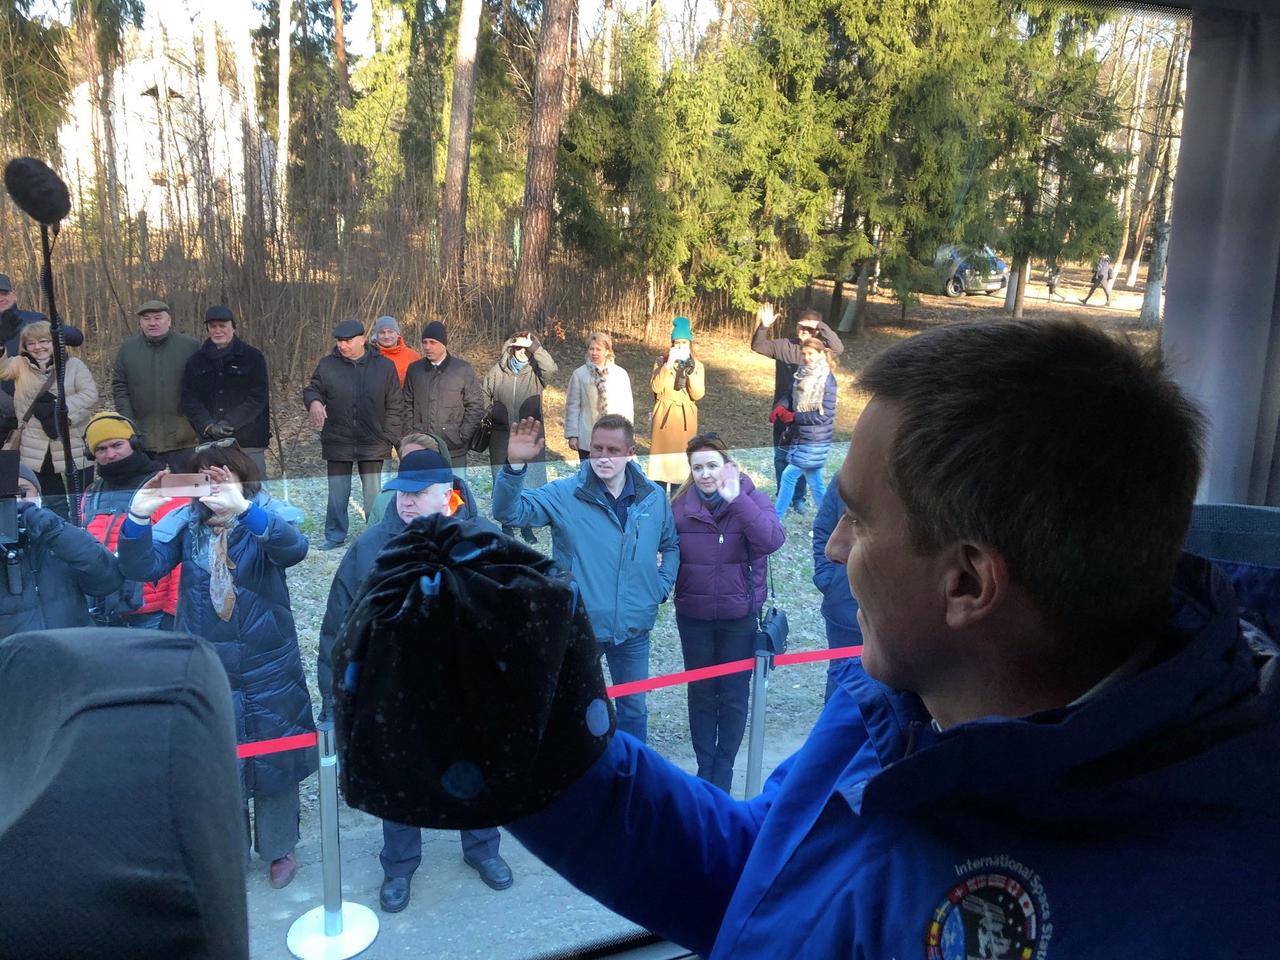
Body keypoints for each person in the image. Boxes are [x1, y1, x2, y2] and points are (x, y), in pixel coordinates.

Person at [486, 318, 1280, 958]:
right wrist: (533, 758)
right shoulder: (901, 693)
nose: (831, 549)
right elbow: (760, 870)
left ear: (968, 584)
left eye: (858, 521)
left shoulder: (1198, 913)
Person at [317, 449, 514, 911]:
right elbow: (339, 627)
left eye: (417, 493)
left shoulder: (483, 539)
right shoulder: (368, 549)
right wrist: (335, 698)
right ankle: (399, 866)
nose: (405, 502)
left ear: (447, 494)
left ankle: (483, 849)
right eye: (400, 492)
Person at [119, 443, 315, 890]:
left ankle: (279, 846)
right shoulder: (186, 525)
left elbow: (295, 549)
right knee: (218, 763)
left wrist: (243, 508)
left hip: (267, 661)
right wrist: (138, 517)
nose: (210, 489)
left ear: (241, 476)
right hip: (206, 663)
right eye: (201, 479)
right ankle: (228, 848)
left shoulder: (263, 514)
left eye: (219, 478)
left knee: (273, 757)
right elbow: (140, 567)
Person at [493, 414, 679, 742]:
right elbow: (510, 511)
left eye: (613, 449)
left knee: (633, 708)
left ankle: (630, 775)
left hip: (634, 630)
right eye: (597, 449)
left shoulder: (652, 497)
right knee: (572, 706)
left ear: (630, 451)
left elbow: (671, 545)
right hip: (582, 628)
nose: (604, 457)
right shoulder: (566, 494)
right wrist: (514, 466)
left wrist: (659, 588)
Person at [670, 433, 784, 792]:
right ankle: (707, 771)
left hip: (739, 615)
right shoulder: (679, 507)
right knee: (701, 694)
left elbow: (771, 540)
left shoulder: (751, 497)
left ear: (727, 466)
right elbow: (664, 550)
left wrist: (737, 501)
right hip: (695, 615)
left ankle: (724, 769)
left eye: (712, 466)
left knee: (734, 696)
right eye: (698, 467)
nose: (705, 474)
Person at [302, 319, 403, 550]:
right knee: (338, 493)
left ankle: (376, 533)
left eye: (347, 341)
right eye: (339, 341)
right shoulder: (327, 365)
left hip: (374, 441)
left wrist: (388, 436)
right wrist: (315, 402)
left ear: (362, 340)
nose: (342, 346)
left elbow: (396, 405)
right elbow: (313, 389)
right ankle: (335, 535)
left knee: (373, 495)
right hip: (338, 439)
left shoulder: (384, 366)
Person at [79, 412, 186, 629]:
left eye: (117, 444)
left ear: (134, 443)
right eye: (101, 448)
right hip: (103, 611)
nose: (110, 454)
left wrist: (174, 612)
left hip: (152, 615)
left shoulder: (162, 486)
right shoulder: (91, 493)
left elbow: (183, 556)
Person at [0, 463, 123, 639]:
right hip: (15, 658)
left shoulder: (59, 534)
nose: (16, 502)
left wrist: (52, 530)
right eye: (5, 497)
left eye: (22, 492)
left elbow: (107, 580)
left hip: (73, 651)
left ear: (39, 495)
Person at [0, 320, 98, 519]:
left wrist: (59, 410)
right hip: (35, 446)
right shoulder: (19, 364)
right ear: (25, 346)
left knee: (81, 498)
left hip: (71, 440)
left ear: (55, 343)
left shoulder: (73, 365)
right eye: (32, 343)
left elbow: (90, 395)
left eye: (44, 341)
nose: (38, 347)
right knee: (51, 500)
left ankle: (83, 532)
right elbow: (3, 370)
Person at [750, 304, 843, 514]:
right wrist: (763, 326)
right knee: (782, 457)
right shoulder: (785, 346)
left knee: (801, 466)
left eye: (810, 329)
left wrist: (819, 324)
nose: (805, 332)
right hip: (785, 413)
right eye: (802, 327)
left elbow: (838, 348)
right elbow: (758, 346)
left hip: (806, 422)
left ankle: (796, 501)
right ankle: (784, 498)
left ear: (817, 332)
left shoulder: (822, 361)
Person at [481, 331, 558, 542]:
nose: (521, 352)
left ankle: (527, 524)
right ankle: (507, 523)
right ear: (510, 348)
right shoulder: (498, 371)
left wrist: (535, 347)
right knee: (502, 478)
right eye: (517, 348)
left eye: (525, 348)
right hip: (501, 435)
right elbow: (483, 394)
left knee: (530, 480)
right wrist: (492, 412)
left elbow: (551, 369)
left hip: (529, 433)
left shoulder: (536, 372)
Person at [180, 305, 272, 480]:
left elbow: (258, 397)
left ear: (233, 327)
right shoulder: (196, 361)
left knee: (255, 491)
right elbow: (189, 398)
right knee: (213, 492)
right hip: (211, 442)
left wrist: (229, 423)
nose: (218, 330)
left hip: (248, 440)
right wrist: (207, 425)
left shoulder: (253, 357)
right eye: (213, 326)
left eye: (222, 326)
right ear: (207, 329)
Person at [111, 299, 200, 471]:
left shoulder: (190, 346)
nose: (152, 323)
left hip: (184, 438)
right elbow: (120, 387)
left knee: (188, 490)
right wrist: (129, 422)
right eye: (146, 318)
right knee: (148, 492)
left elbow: (202, 388)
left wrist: (195, 423)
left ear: (169, 321)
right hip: (142, 437)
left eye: (158, 318)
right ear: (140, 322)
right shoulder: (128, 349)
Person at [402, 320, 484, 468]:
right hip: (422, 446)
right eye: (425, 342)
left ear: (443, 344)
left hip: (454, 448)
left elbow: (475, 405)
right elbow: (407, 403)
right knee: (424, 489)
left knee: (455, 489)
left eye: (432, 342)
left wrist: (461, 435)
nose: (427, 347)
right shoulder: (415, 370)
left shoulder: (462, 370)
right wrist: (411, 434)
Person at [771, 336, 837, 518]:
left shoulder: (826, 380)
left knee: (788, 476)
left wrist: (794, 416)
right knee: (815, 482)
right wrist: (781, 406)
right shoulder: (802, 373)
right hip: (801, 436)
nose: (806, 357)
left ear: (821, 354)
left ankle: (776, 517)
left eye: (811, 353)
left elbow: (824, 415)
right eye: (804, 353)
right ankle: (830, 519)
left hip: (815, 439)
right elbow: (789, 394)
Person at [811, 479, 862, 701]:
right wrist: (827, 578)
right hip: (844, 609)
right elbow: (823, 528)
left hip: (898, 615)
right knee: (841, 690)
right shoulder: (848, 477)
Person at [648, 317, 706, 495]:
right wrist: (666, 367)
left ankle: (677, 508)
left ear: (690, 344)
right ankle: (657, 511)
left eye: (684, 343)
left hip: (684, 421)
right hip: (663, 421)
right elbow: (656, 388)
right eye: (677, 343)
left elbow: (697, 394)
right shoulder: (661, 362)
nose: (680, 346)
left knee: (680, 475)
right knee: (659, 472)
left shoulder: (697, 366)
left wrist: (689, 372)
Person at [564, 332, 634, 462]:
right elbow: (572, 406)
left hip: (615, 436)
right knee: (589, 475)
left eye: (598, 349)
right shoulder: (579, 374)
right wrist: (573, 435)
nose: (594, 352)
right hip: (587, 437)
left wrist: (629, 435)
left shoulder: (620, 374)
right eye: (591, 349)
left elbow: (627, 406)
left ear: (607, 351)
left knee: (611, 474)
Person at [369, 315, 420, 385]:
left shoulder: (413, 356)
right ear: (376, 336)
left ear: (397, 334)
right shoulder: (369, 356)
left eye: (390, 332)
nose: (386, 336)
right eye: (382, 332)